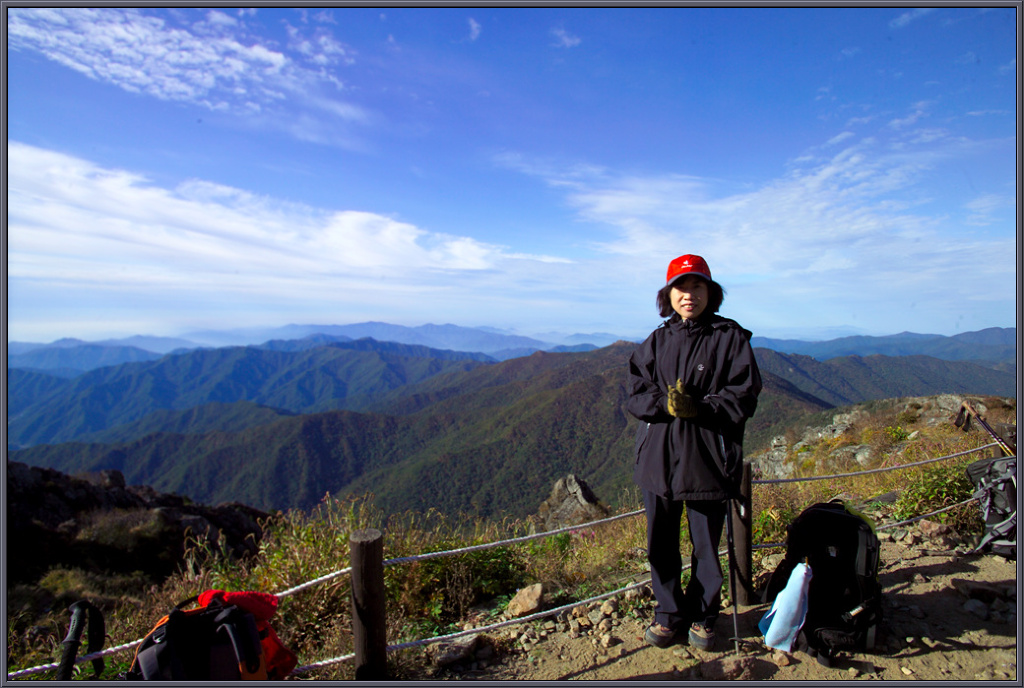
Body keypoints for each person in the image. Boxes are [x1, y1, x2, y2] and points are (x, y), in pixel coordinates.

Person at [626, 254, 762, 651]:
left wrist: (701, 408)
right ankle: (668, 615)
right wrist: (665, 405)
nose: (689, 295)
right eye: (681, 287)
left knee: (705, 546)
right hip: (659, 461)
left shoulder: (730, 339)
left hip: (707, 459)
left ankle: (704, 616)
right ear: (667, 295)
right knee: (661, 545)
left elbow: (744, 395)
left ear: (710, 292)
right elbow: (635, 392)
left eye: (697, 286)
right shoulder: (656, 341)